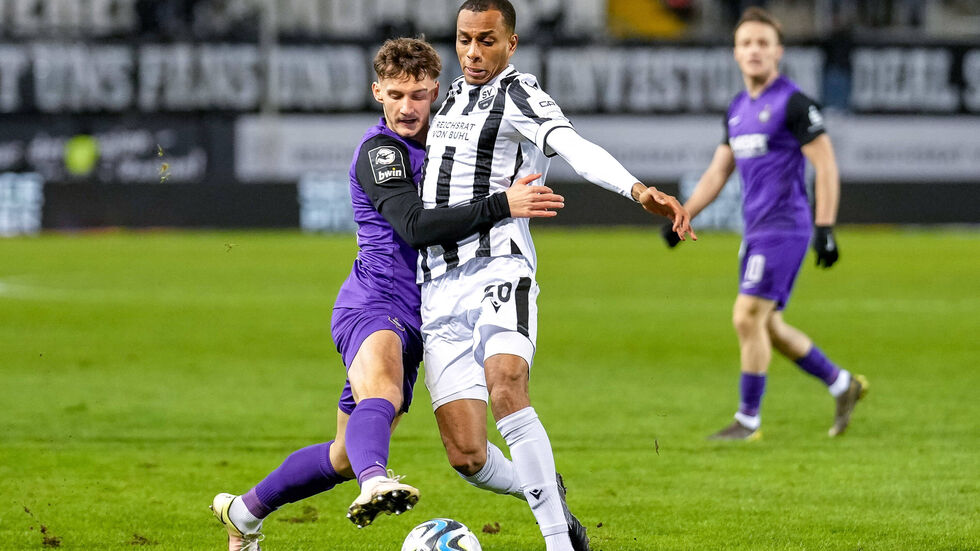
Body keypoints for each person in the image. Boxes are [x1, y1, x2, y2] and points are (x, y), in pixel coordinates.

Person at [208, 37, 565, 551]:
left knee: (342, 453)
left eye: (418, 94)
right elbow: (415, 226)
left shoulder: (450, 141)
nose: (406, 107)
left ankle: (242, 513)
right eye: (395, 93)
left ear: (435, 92)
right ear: (377, 91)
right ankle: (375, 481)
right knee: (384, 395)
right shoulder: (381, 153)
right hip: (375, 301)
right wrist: (501, 205)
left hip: (428, 316)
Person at [417, 2, 696, 550]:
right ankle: (545, 488)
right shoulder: (448, 98)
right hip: (438, 285)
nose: (474, 52)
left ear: (511, 44)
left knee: (506, 384)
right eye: (465, 39)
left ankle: (558, 544)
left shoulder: (518, 91)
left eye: (487, 40)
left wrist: (637, 190)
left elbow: (571, 145)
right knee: (467, 455)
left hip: (499, 266)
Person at [663, 7, 868, 440]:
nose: (754, 50)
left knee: (745, 317)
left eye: (763, 43)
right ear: (736, 53)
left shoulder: (794, 103)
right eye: (746, 43)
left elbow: (826, 166)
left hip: (786, 227)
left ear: (778, 52)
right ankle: (842, 383)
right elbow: (719, 172)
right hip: (754, 231)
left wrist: (826, 228)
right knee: (767, 326)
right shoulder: (738, 109)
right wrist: (683, 214)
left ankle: (747, 421)